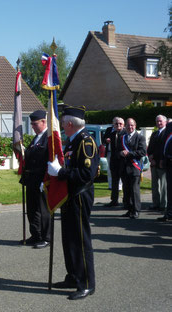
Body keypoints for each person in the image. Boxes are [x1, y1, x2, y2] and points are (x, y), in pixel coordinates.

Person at [48, 105, 99, 300]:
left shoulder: (85, 142)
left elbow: (86, 174)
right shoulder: (72, 142)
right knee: (68, 239)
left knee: (80, 240)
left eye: (62, 122)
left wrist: (60, 173)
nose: (61, 125)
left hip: (80, 194)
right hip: (69, 196)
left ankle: (86, 283)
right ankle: (73, 276)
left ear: (70, 123)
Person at [20, 110, 50, 249]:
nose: (32, 126)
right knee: (31, 209)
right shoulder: (37, 138)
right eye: (31, 124)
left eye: (35, 123)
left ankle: (46, 237)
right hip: (31, 178)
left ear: (44, 122)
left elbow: (50, 160)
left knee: (42, 209)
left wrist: (45, 180)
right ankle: (36, 234)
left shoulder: (49, 138)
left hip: (42, 179)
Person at [119, 118, 146, 219]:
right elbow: (117, 151)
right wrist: (121, 153)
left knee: (134, 191)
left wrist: (129, 153)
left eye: (132, 125)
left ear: (135, 126)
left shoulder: (140, 137)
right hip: (124, 168)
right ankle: (130, 209)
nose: (130, 127)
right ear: (125, 126)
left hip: (135, 167)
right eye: (128, 125)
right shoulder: (122, 137)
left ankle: (136, 210)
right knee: (127, 190)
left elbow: (142, 152)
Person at [147, 115, 167, 211]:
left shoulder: (167, 133)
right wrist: (150, 157)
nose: (158, 123)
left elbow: (163, 149)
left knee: (163, 186)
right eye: (157, 121)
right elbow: (150, 147)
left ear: (165, 122)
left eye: (160, 121)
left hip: (161, 163)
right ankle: (156, 203)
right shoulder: (154, 134)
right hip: (154, 163)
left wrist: (155, 158)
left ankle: (163, 205)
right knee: (154, 185)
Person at [105, 117, 125, 207]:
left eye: (120, 124)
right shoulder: (112, 134)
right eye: (116, 124)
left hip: (123, 162)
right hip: (114, 161)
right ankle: (114, 200)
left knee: (125, 182)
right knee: (114, 181)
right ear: (113, 124)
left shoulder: (126, 134)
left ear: (123, 125)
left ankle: (126, 201)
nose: (118, 125)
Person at [158, 118, 172, 222]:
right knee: (170, 190)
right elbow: (165, 145)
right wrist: (163, 158)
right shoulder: (169, 126)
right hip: (169, 162)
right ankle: (169, 213)